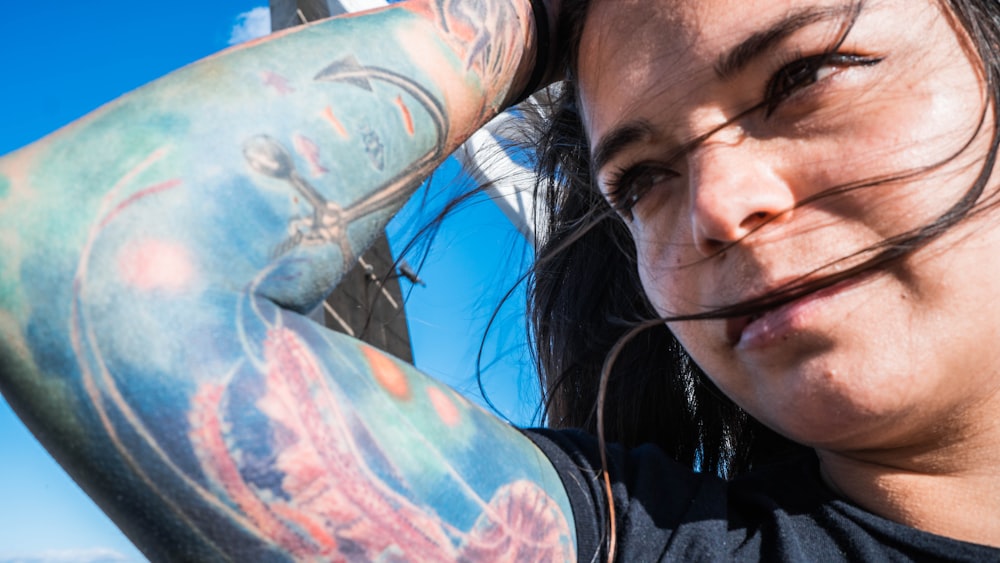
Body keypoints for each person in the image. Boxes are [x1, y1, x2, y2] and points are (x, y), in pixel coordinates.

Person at [1, 0, 998, 561]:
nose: (716, 204)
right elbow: (64, 261)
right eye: (641, 177)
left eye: (800, 78)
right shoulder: (646, 546)